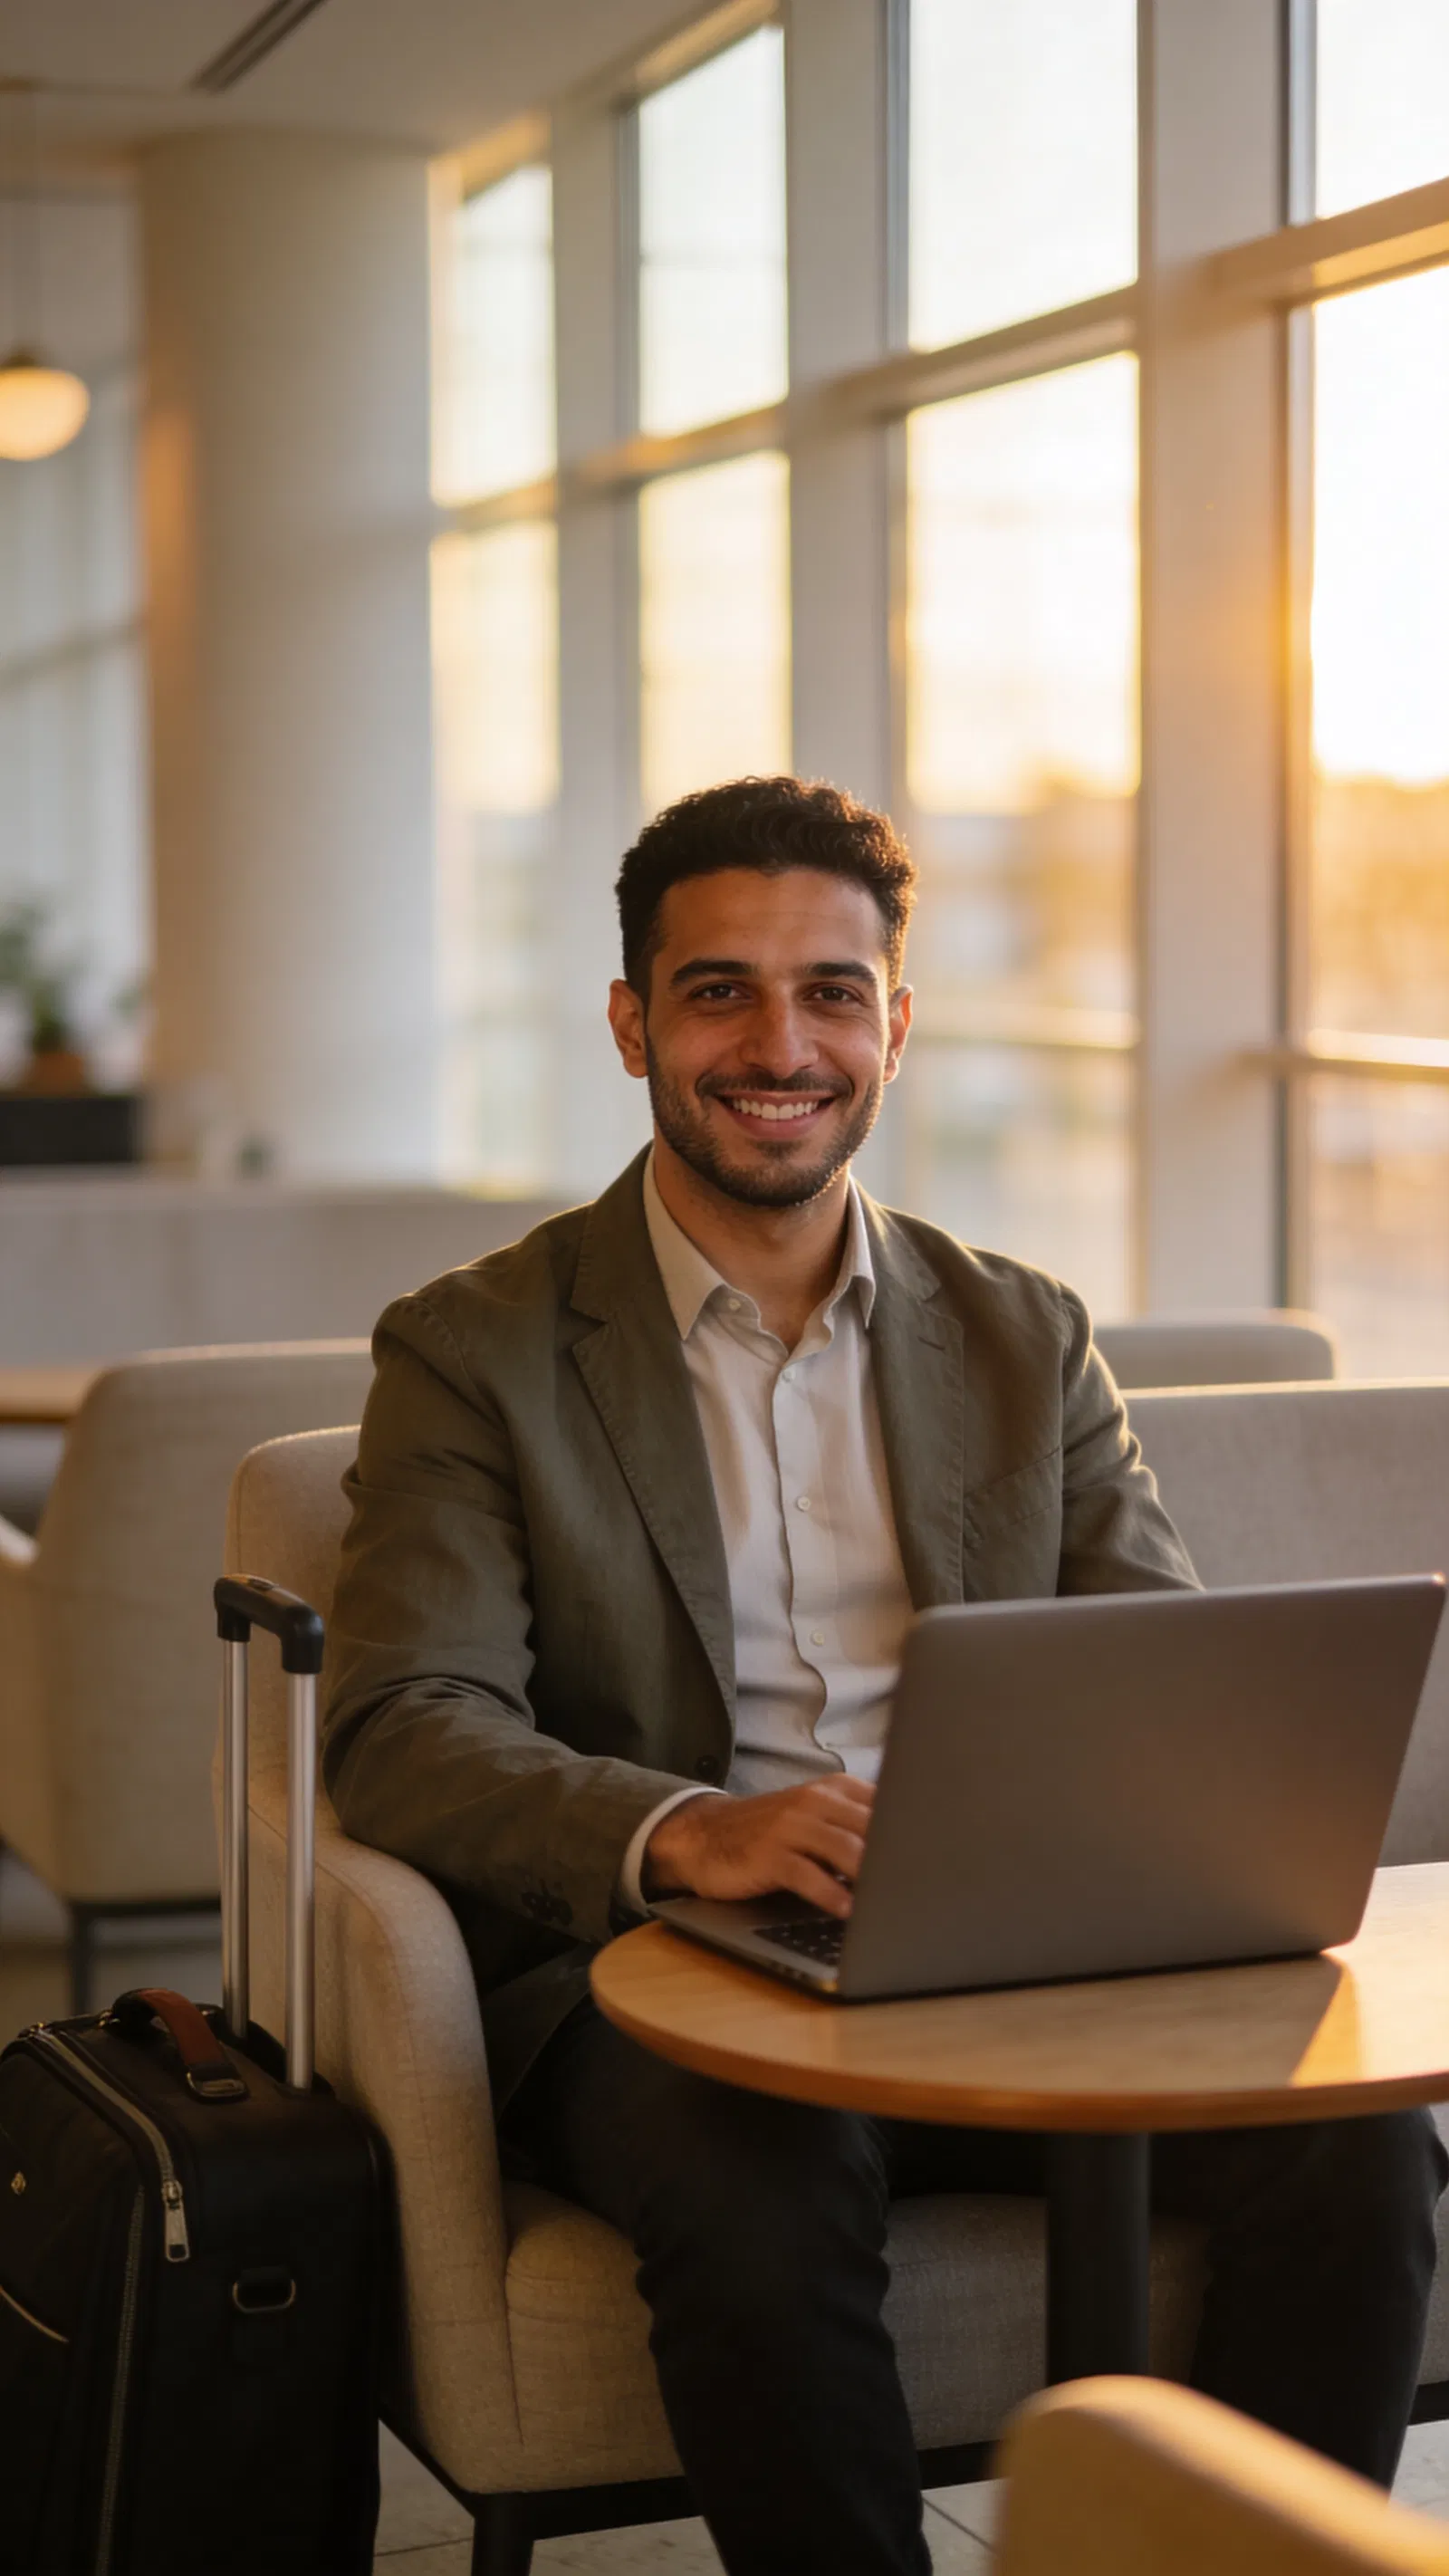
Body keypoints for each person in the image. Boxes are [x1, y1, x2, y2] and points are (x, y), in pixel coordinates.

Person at [322, 776, 1444, 2576]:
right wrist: (694, 1833)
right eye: (718, 991)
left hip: (1007, 1955)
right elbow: (404, 1730)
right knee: (754, 2189)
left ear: (895, 1025)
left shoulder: (1017, 1329)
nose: (781, 1045)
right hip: (665, 1981)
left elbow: (1154, 1669)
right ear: (630, 1022)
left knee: (1363, 2162)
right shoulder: (477, 1350)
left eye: (830, 992)